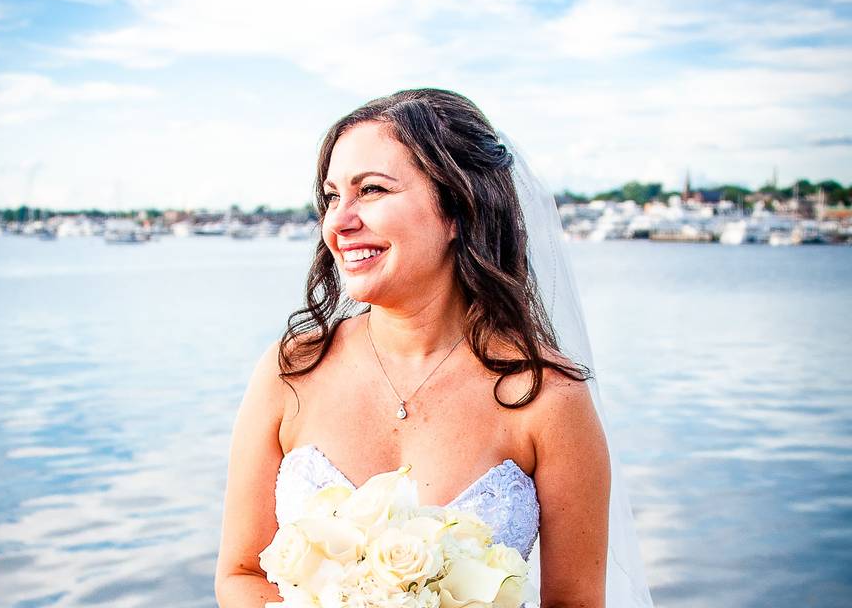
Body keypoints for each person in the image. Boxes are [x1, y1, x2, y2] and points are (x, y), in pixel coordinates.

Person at [214, 88, 653, 607]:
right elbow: (241, 573)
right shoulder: (290, 372)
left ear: (457, 209)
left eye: (371, 190)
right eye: (332, 197)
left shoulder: (548, 398)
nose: (339, 221)